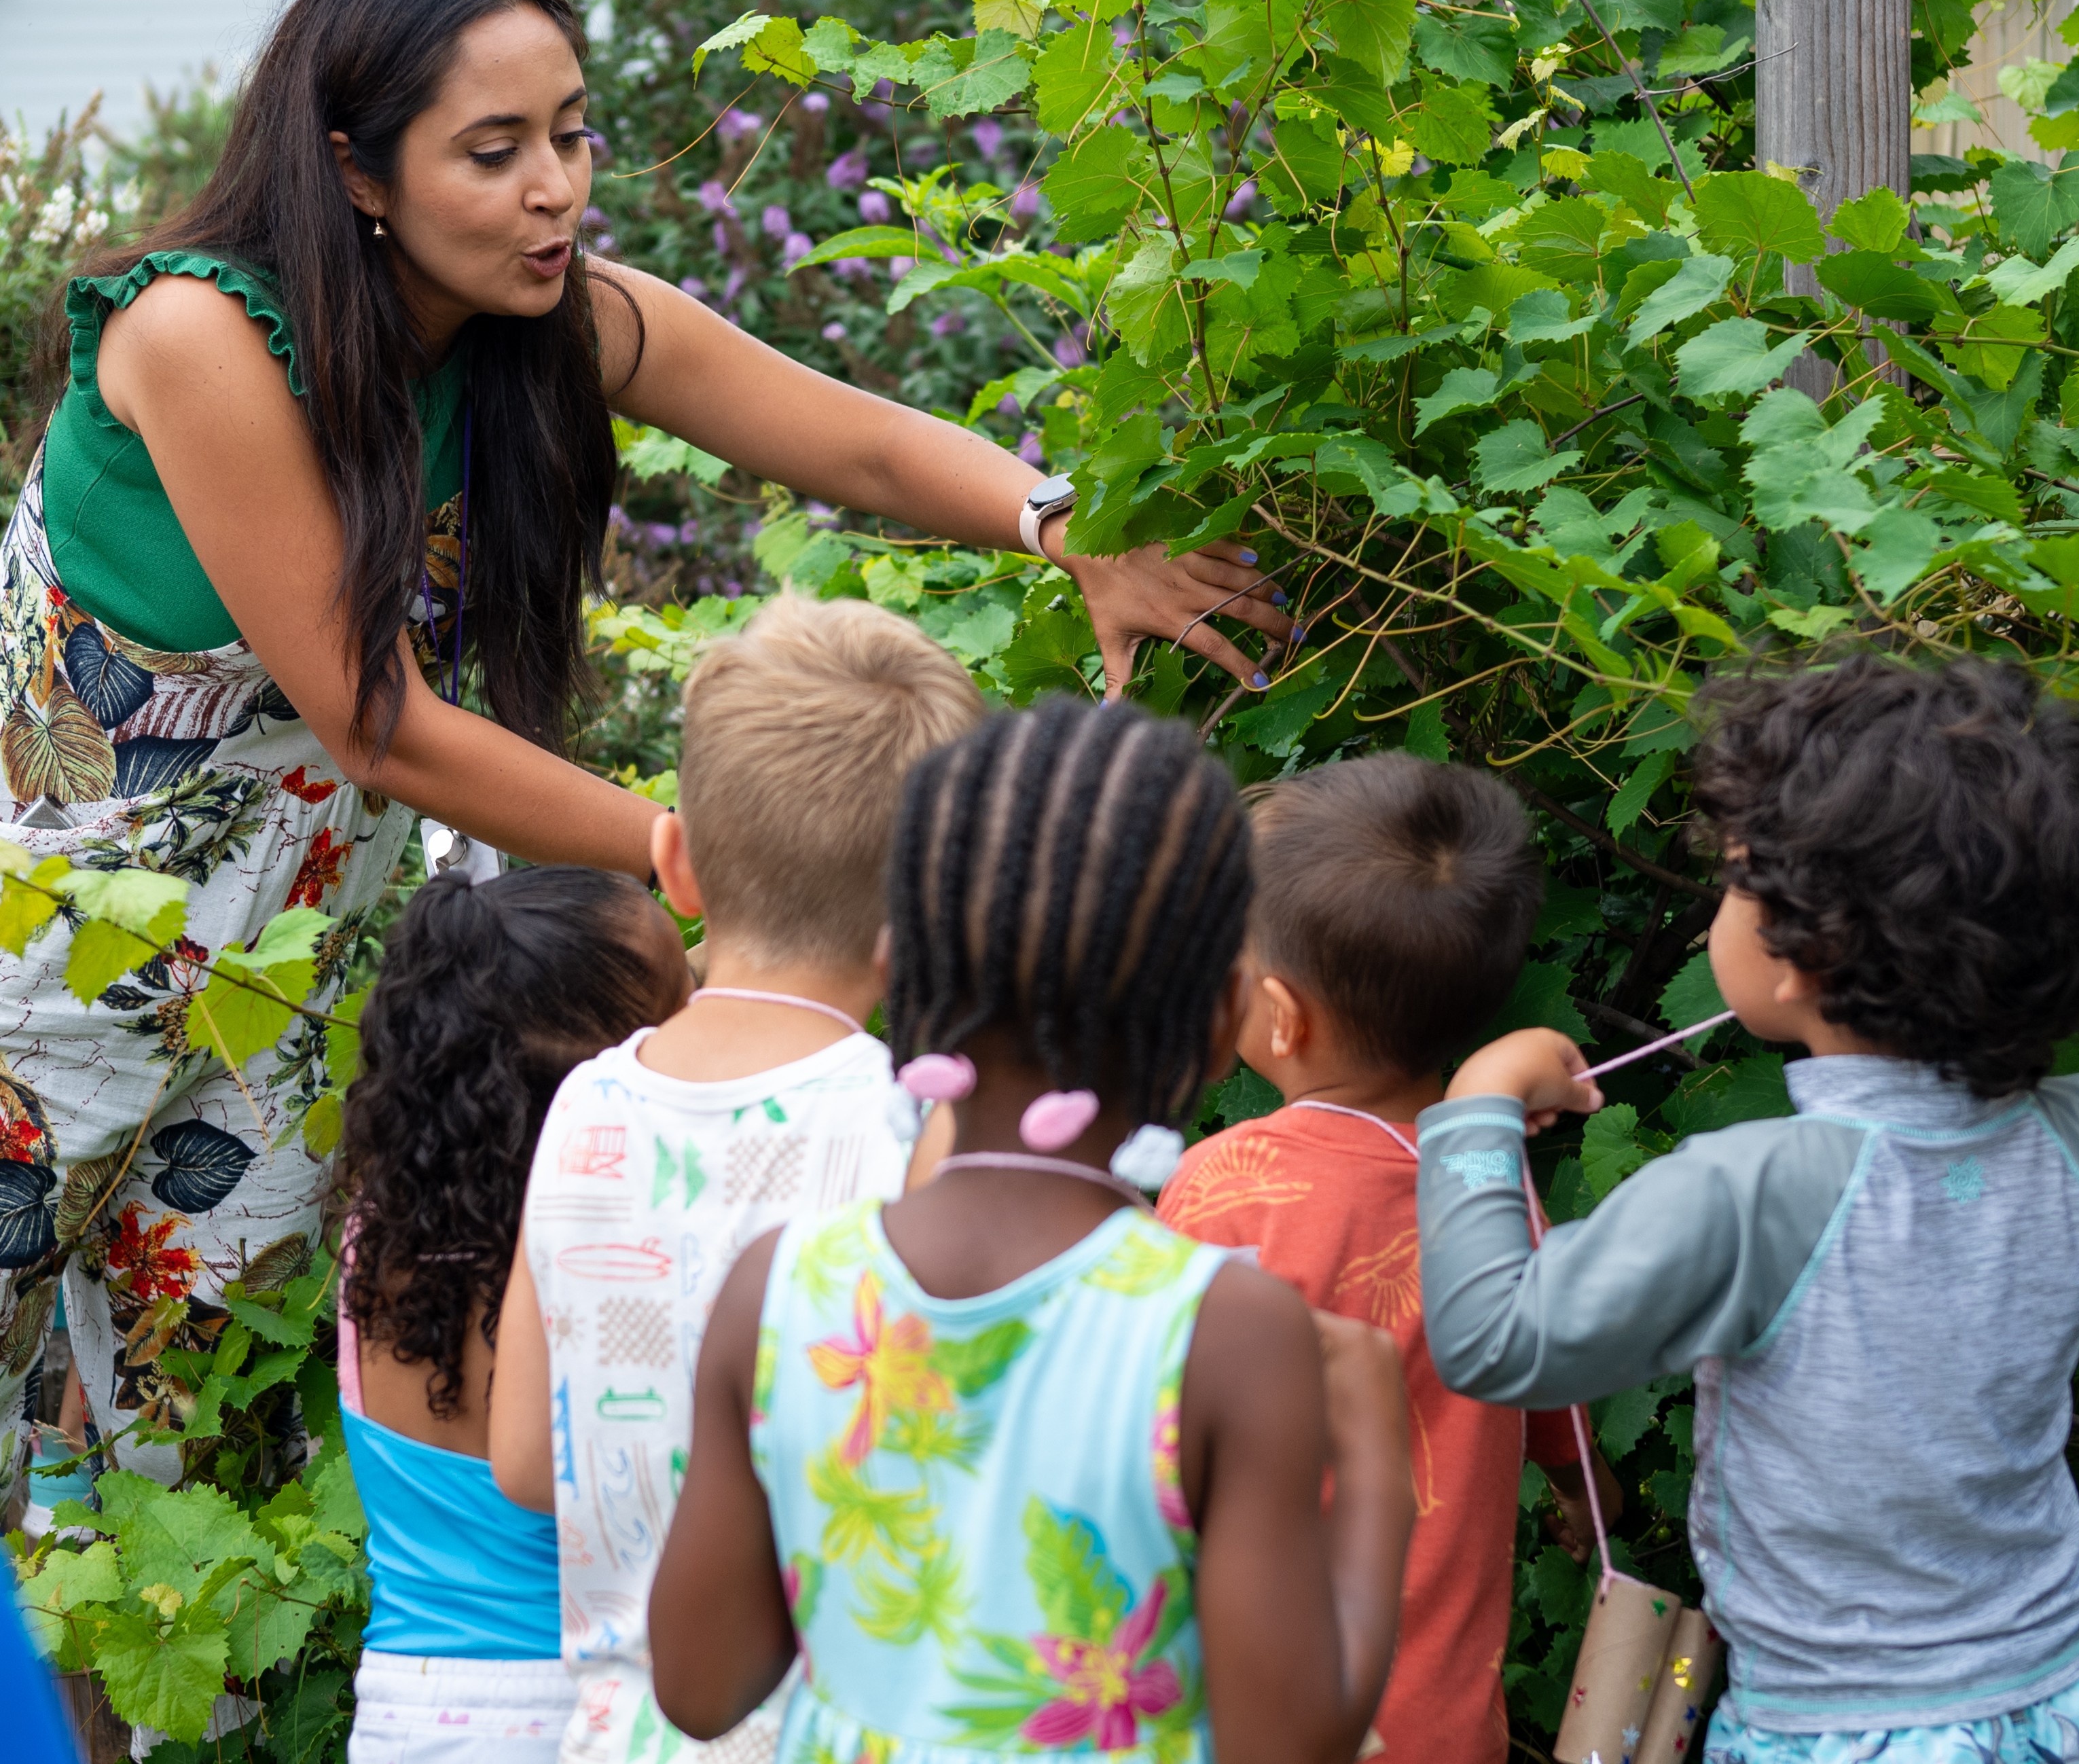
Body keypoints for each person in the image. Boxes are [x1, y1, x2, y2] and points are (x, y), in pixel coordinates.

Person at [0, 0, 1290, 1470]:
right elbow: (375, 718)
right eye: (494, 150)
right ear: (358, 171)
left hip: (278, 985)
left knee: (201, 1466)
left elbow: (853, 443)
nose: (556, 186)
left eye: (570, 133)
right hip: (48, 963)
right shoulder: (202, 336)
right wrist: (697, 850)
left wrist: (1068, 526)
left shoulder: (541, 328)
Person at [1415, 655, 2079, 1757]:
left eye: (1733, 878)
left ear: (1805, 952)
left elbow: (1492, 1339)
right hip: (2064, 1708)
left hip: (1836, 1732)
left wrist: (1473, 1108)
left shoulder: (1750, 1191)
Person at [647, 696, 1416, 1764]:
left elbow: (698, 1683)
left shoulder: (778, 1290)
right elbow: (1285, 1747)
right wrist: (1376, 1459)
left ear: (898, 975)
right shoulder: (1225, 1335)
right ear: (1215, 1022)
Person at [487, 594, 985, 1764]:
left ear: (677, 861)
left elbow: (523, 1460)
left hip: (627, 1731)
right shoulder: (916, 1125)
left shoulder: (586, 1108)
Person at [1159, 753, 1606, 1764]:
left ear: (1281, 1013)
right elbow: (1548, 1389)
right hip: (1443, 1728)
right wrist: (1589, 1495)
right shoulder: (1488, 1188)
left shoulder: (1217, 1187)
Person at [333, 864, 689, 1762]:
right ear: (600, 1066)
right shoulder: (599, 1257)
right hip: (576, 1702)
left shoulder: (381, 1231)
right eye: (688, 999)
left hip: (401, 1715)